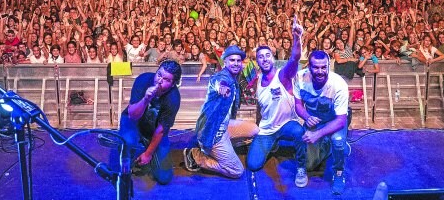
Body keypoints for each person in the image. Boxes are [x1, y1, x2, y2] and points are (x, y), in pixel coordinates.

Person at [246, 17, 307, 187]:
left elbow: (294, 58)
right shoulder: (257, 80)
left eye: (267, 56)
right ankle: (272, 144)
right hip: (268, 129)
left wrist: (297, 37)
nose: (264, 59)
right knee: (253, 165)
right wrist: (259, 126)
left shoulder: (283, 75)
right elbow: (261, 107)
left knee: (299, 133)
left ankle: (301, 167)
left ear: (272, 58)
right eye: (260, 57)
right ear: (257, 61)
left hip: (288, 124)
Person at [184, 45, 259, 178]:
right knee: (237, 171)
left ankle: (222, 149)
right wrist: (222, 88)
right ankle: (196, 156)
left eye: (238, 60)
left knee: (254, 130)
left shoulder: (236, 79)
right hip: (213, 132)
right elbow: (218, 83)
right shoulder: (221, 77)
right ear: (225, 62)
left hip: (224, 126)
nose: (235, 63)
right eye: (232, 60)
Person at [116, 59, 182, 184]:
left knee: (164, 177)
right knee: (128, 141)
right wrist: (146, 99)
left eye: (166, 80)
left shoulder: (173, 99)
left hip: (153, 130)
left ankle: (144, 146)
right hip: (133, 122)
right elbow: (132, 115)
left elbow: (160, 130)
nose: (159, 81)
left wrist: (148, 153)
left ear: (173, 84)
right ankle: (126, 153)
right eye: (159, 75)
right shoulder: (143, 80)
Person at [294, 50, 350, 195]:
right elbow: (298, 105)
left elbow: (341, 121)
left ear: (328, 66)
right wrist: (306, 116)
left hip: (334, 121)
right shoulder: (300, 78)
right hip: (313, 121)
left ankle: (338, 172)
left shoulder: (339, 84)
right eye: (315, 67)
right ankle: (329, 148)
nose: (320, 71)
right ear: (309, 66)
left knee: (337, 140)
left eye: (323, 67)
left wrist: (317, 134)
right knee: (310, 165)